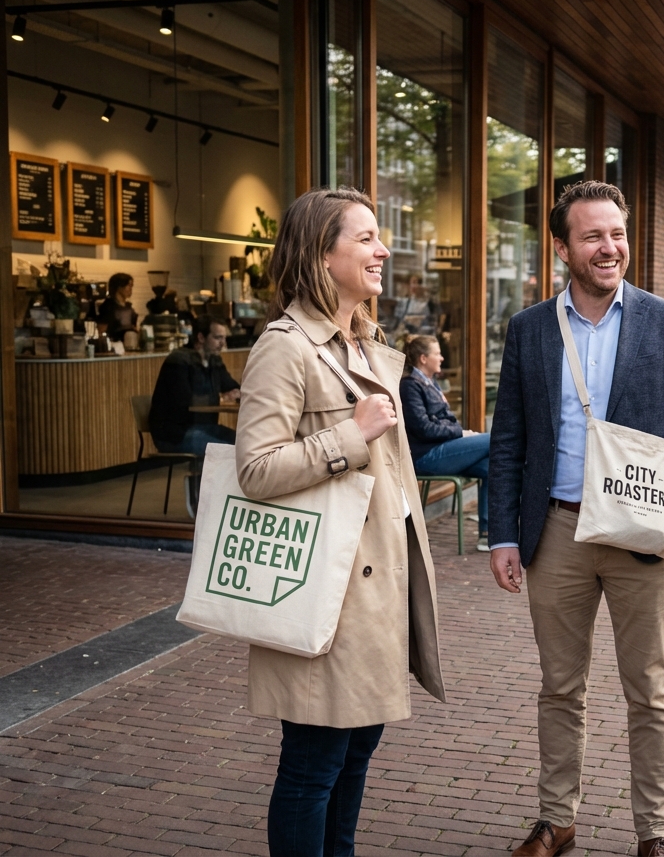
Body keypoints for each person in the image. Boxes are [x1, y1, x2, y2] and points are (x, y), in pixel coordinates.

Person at [489, 180, 664, 857]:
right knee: (560, 687)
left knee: (650, 690)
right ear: (563, 248)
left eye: (616, 233)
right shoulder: (529, 329)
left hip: (644, 532)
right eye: (592, 236)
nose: (609, 247)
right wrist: (502, 533)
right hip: (555, 532)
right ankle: (557, 820)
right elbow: (509, 440)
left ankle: (657, 832)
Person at [235, 187, 445, 856]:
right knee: (313, 766)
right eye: (365, 238)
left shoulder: (366, 342)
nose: (382, 250)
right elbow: (256, 469)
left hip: (376, 594)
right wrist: (349, 437)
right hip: (327, 597)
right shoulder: (285, 346)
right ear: (321, 255)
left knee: (355, 756)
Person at [399, 334, 491, 552]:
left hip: (443, 449)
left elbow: (442, 421)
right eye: (437, 353)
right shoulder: (410, 386)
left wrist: (458, 432)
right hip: (425, 456)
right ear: (423, 358)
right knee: (496, 440)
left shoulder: (431, 383)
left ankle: (488, 535)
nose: (442, 358)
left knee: (493, 466)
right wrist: (460, 433)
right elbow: (423, 428)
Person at [148, 315, 240, 456]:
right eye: (217, 338)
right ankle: (197, 478)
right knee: (231, 452)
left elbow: (231, 386)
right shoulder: (178, 361)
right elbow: (184, 402)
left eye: (224, 338)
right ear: (201, 338)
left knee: (245, 445)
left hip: (206, 428)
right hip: (175, 434)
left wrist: (236, 392)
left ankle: (201, 478)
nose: (223, 343)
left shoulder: (214, 360)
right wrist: (218, 398)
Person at [96, 272, 138, 343]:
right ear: (119, 287)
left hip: (130, 343)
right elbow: (101, 330)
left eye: (132, 286)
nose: (131, 289)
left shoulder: (129, 307)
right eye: (128, 285)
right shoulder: (108, 306)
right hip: (114, 345)